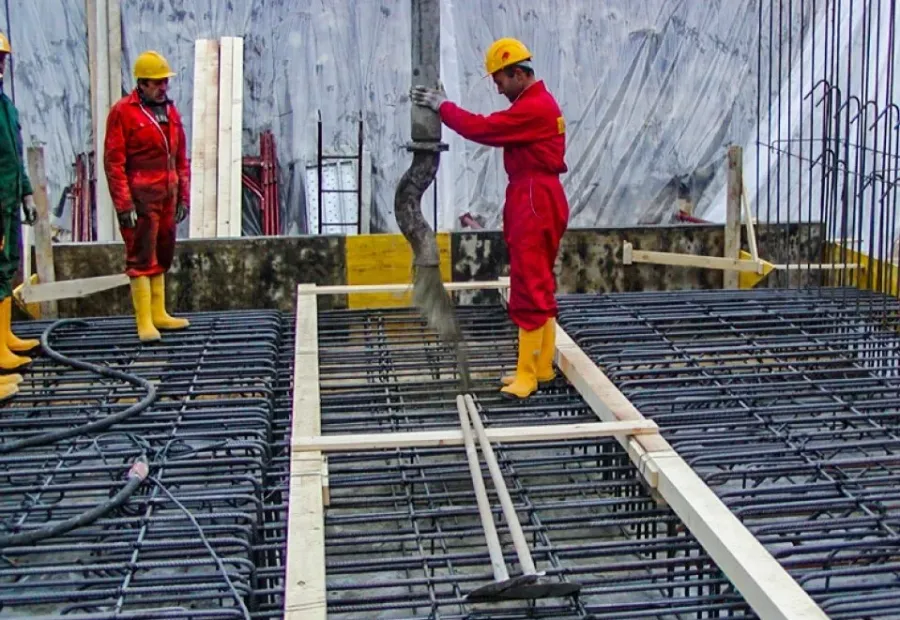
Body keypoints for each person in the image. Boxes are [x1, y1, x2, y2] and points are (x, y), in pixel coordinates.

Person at [411, 37, 569, 400]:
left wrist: (443, 107)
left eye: (500, 80)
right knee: (539, 281)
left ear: (518, 73)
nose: (497, 89)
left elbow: (483, 128)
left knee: (528, 285)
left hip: (533, 199)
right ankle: (542, 367)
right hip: (540, 197)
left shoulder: (532, 108)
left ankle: (527, 376)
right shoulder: (539, 103)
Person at [104, 50, 190, 343]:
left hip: (167, 196)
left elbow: (181, 159)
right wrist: (123, 204)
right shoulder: (123, 112)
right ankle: (144, 321)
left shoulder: (171, 113)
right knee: (140, 256)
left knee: (163, 252)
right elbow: (114, 162)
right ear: (141, 83)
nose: (163, 87)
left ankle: (159, 313)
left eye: (165, 82)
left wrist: (183, 197)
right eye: (157, 82)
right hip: (140, 198)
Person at [0, 31, 39, 402]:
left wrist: (25, 191)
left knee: (6, 268)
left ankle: (4, 339)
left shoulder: (5, 104)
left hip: (8, 200)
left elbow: (13, 153)